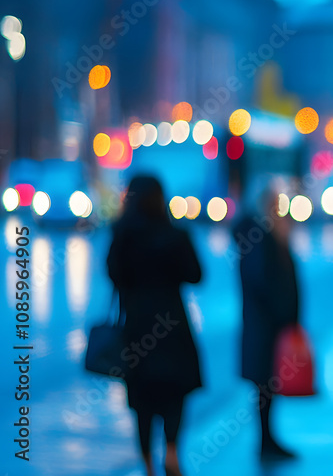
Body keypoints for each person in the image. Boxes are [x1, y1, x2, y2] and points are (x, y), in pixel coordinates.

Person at [107, 176, 202, 476]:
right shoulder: (175, 235)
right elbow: (196, 274)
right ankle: (172, 454)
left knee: (142, 402)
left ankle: (147, 465)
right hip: (171, 328)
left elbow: (112, 276)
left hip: (136, 329)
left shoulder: (123, 236)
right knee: (174, 395)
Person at [233, 187, 300, 460]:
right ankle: (265, 442)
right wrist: (283, 312)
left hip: (269, 324)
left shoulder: (268, 233)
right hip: (265, 325)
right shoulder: (260, 236)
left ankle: (269, 440)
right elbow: (263, 281)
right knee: (264, 384)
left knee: (269, 385)